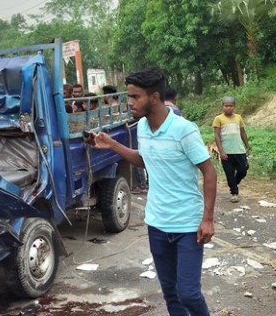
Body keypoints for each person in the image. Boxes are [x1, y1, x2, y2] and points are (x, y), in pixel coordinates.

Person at [89, 67, 216, 316]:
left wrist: (208, 218)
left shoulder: (184, 129)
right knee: (170, 291)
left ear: (154, 97)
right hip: (157, 223)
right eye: (129, 96)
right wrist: (113, 145)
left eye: (135, 97)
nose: (130, 103)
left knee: (188, 293)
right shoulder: (143, 128)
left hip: (187, 224)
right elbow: (144, 159)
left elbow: (209, 172)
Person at [103, 84, 147, 194]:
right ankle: (143, 184)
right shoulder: (121, 105)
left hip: (127, 136)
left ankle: (142, 185)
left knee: (138, 159)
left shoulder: (112, 108)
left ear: (107, 95)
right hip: (129, 134)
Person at [212, 96, 250, 203]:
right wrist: (221, 151)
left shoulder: (238, 118)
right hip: (226, 152)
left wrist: (247, 146)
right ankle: (234, 193)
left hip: (239, 150)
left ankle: (234, 182)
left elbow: (243, 132)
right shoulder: (218, 119)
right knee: (229, 173)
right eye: (226, 106)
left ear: (234, 107)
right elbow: (217, 136)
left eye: (231, 106)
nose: (228, 108)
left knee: (243, 170)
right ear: (222, 106)